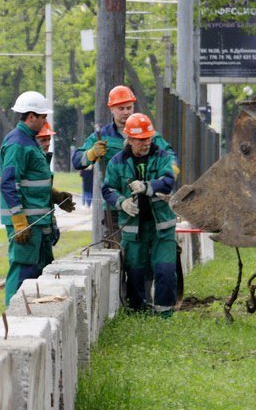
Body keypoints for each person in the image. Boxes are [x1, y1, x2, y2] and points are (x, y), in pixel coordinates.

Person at [71, 85, 178, 238]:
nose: (126, 112)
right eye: (121, 108)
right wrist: (91, 153)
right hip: (115, 206)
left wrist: (171, 170)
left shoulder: (148, 134)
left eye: (129, 107)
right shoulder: (102, 136)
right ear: (111, 109)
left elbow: (169, 154)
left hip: (149, 204)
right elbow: (77, 161)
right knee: (120, 248)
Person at [0, 91, 75, 305]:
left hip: (37, 222)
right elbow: (9, 183)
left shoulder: (29, 141)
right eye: (43, 117)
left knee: (38, 271)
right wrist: (18, 220)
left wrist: (55, 195)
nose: (45, 121)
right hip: (27, 223)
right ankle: (14, 313)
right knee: (23, 269)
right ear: (31, 116)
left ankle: (29, 312)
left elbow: (32, 181)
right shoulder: (17, 143)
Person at [102, 113, 178, 317]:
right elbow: (108, 189)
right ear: (129, 139)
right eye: (141, 139)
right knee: (135, 272)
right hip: (133, 229)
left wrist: (146, 186)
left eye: (148, 138)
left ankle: (165, 313)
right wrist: (122, 202)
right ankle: (137, 313)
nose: (146, 143)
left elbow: (168, 180)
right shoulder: (117, 162)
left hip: (161, 226)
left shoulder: (162, 157)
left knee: (165, 270)